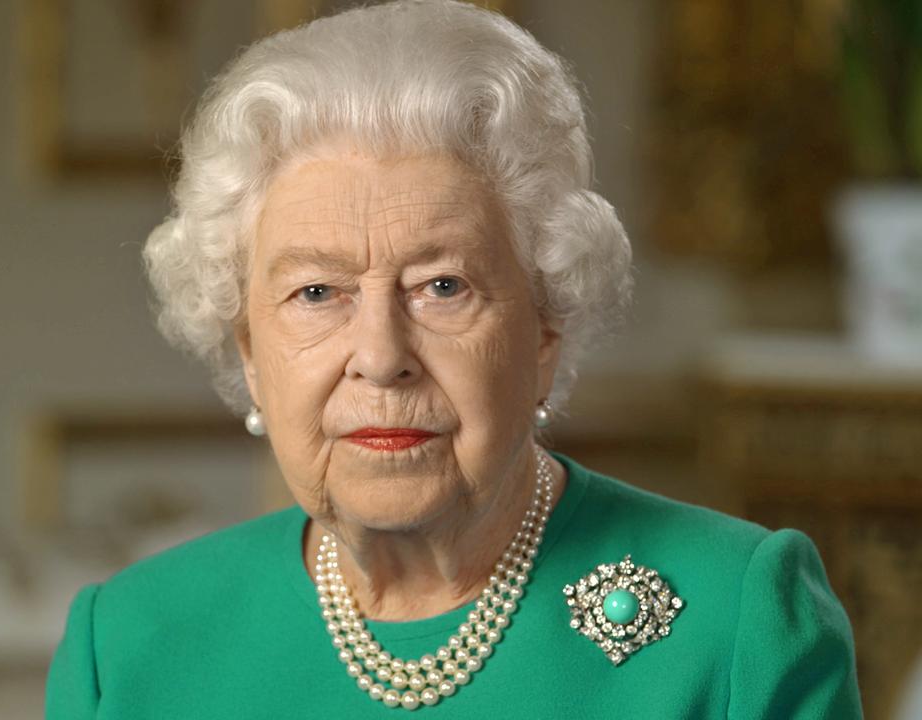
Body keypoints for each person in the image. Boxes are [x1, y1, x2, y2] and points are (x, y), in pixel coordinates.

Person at [45, 1, 863, 716]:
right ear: (251, 352)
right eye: (318, 293)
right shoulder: (126, 647)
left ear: (545, 327)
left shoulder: (737, 617)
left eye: (442, 286)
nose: (381, 356)